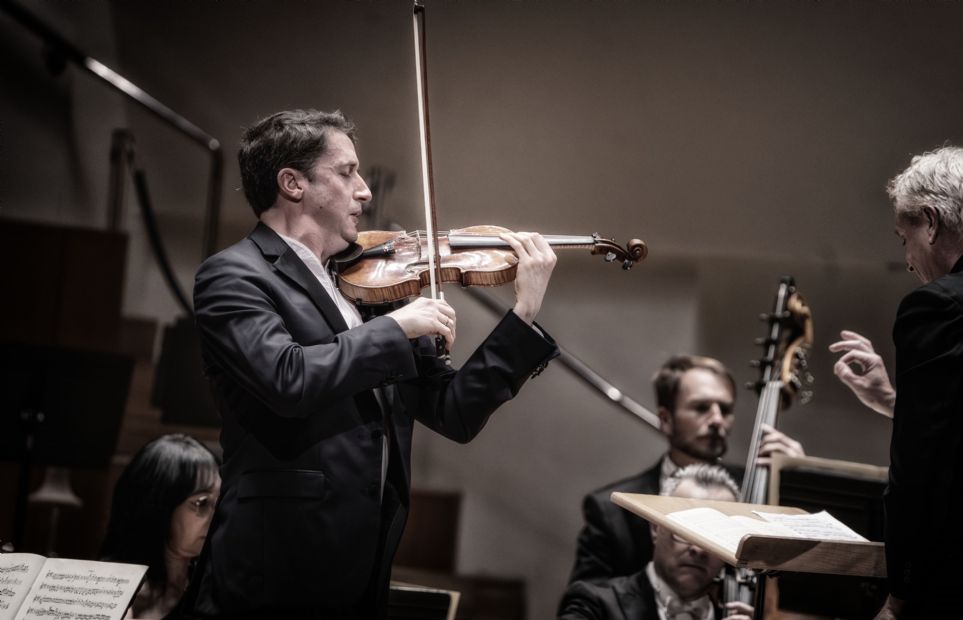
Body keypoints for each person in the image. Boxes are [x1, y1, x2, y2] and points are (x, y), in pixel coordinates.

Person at [180, 109, 559, 618]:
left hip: (363, 562)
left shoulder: (371, 288)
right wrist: (398, 328)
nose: (365, 192)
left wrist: (524, 313)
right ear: (292, 183)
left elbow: (455, 412)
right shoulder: (234, 276)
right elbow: (287, 378)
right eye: (346, 172)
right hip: (274, 564)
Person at [829, 146, 963, 619]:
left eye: (903, 239)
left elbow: (920, 471)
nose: (907, 260)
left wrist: (901, 592)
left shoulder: (940, 305)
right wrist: (891, 400)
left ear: (930, 222)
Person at [565, 355, 804, 587]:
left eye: (725, 409)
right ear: (665, 419)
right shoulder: (610, 510)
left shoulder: (759, 489)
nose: (717, 420)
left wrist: (800, 481)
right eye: (701, 408)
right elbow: (586, 603)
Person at [559, 464, 754, 620]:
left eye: (715, 534)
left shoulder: (742, 614)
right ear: (655, 528)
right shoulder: (594, 603)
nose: (698, 548)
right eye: (685, 530)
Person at [100, 434, 221, 620]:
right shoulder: (107, 589)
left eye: (218, 502)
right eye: (202, 503)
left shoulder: (215, 589)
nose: (216, 516)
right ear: (159, 506)